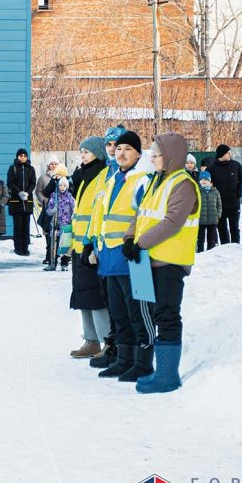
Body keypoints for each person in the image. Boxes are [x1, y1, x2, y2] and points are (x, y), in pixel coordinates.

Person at [123, 132, 201, 394]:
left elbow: (172, 222)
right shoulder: (158, 181)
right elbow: (141, 213)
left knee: (167, 315)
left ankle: (167, 375)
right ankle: (159, 370)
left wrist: (140, 243)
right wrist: (129, 238)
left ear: (169, 156)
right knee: (154, 314)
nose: (153, 158)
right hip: (149, 260)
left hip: (169, 262)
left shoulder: (183, 184)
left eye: (156, 154)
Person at [88, 130, 151, 379]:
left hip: (136, 256)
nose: (121, 153)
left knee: (139, 313)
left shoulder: (143, 179)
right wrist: (93, 246)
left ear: (138, 153)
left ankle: (143, 362)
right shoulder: (114, 178)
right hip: (111, 256)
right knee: (119, 313)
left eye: (128, 149)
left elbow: (145, 215)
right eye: (119, 148)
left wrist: (137, 242)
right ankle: (124, 359)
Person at [68, 136, 110, 359]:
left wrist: (92, 244)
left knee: (95, 296)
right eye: (81, 151)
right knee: (82, 294)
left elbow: (99, 212)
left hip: (93, 246)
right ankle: (90, 339)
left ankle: (106, 341)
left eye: (86, 151)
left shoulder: (103, 175)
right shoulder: (84, 176)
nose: (82, 155)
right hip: (79, 245)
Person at [208, 144, 242, 245]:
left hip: (233, 203)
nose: (230, 155)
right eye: (228, 153)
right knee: (222, 229)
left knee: (234, 228)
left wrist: (239, 193)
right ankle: (225, 249)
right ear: (222, 154)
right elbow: (207, 184)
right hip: (219, 205)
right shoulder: (211, 169)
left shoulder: (236, 165)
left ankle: (236, 248)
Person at [7, 148, 37, 256]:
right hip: (16, 201)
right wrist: (19, 192)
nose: (23, 157)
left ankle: (25, 248)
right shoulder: (13, 168)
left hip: (27, 202)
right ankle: (18, 247)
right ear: (17, 157)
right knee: (18, 225)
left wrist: (28, 193)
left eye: (24, 155)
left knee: (26, 226)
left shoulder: (31, 169)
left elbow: (33, 182)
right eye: (21, 155)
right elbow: (10, 183)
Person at [44, 178, 74, 272]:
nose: (62, 187)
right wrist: (53, 210)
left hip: (66, 225)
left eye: (64, 185)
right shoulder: (54, 197)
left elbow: (74, 209)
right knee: (54, 245)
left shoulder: (70, 197)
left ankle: (64, 263)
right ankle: (52, 263)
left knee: (65, 246)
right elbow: (48, 210)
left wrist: (73, 218)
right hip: (56, 225)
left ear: (67, 187)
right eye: (60, 185)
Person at [34, 155, 60, 260]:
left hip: (59, 208)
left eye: (55, 164)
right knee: (48, 232)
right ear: (48, 166)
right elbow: (38, 191)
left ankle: (57, 254)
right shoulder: (43, 178)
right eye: (51, 164)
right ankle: (48, 255)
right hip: (48, 207)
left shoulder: (61, 176)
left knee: (58, 232)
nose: (53, 166)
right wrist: (44, 200)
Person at [197, 171, 221, 253]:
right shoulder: (197, 191)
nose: (204, 181)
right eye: (202, 179)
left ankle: (211, 252)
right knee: (200, 239)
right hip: (201, 220)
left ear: (210, 181)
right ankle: (200, 252)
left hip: (212, 219)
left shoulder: (215, 192)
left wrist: (218, 215)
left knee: (211, 239)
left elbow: (219, 204)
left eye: (206, 179)